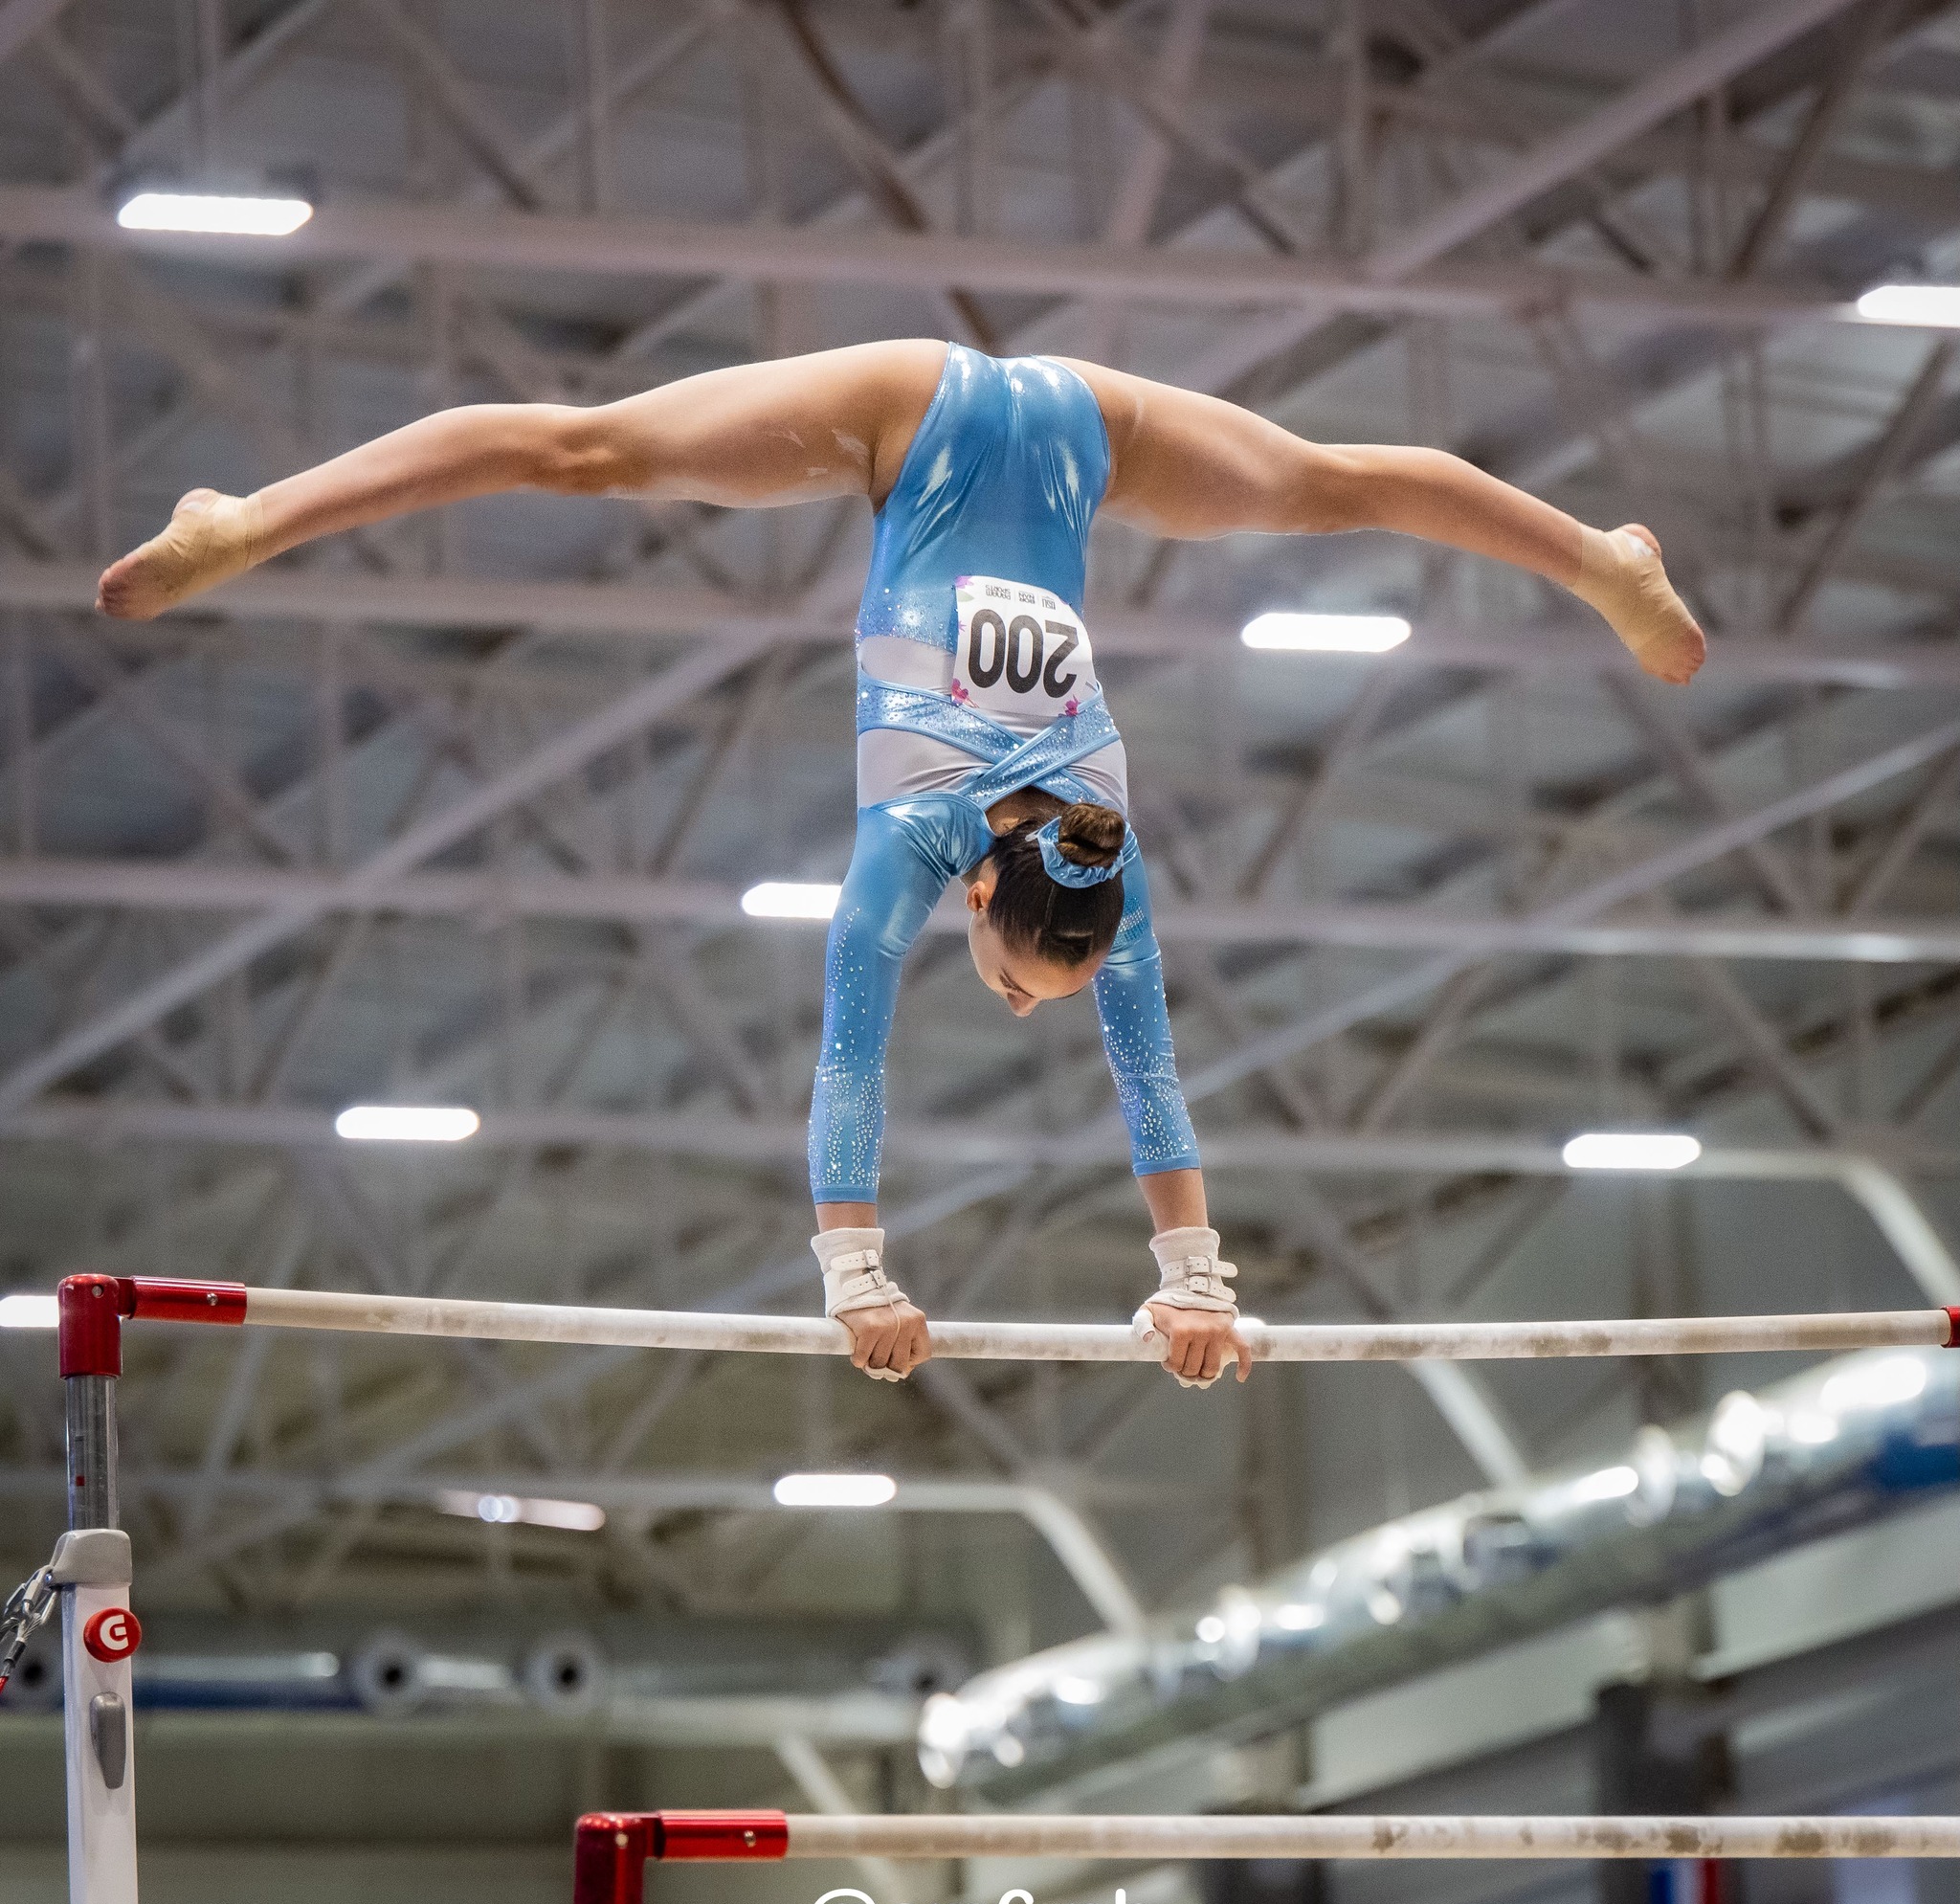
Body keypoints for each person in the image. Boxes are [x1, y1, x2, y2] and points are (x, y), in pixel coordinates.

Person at [96, 340, 1704, 1388]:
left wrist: (1193, 1279)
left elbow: (1146, 1075)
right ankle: (246, 517)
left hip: (1085, 421)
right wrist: (856, 1276)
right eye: (1020, 979)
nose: (1020, 1006)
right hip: (920, 417)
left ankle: (1606, 558)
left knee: (1339, 487)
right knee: (581, 452)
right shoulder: (917, 840)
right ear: (987, 899)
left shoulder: (1096, 857)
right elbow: (862, 1060)